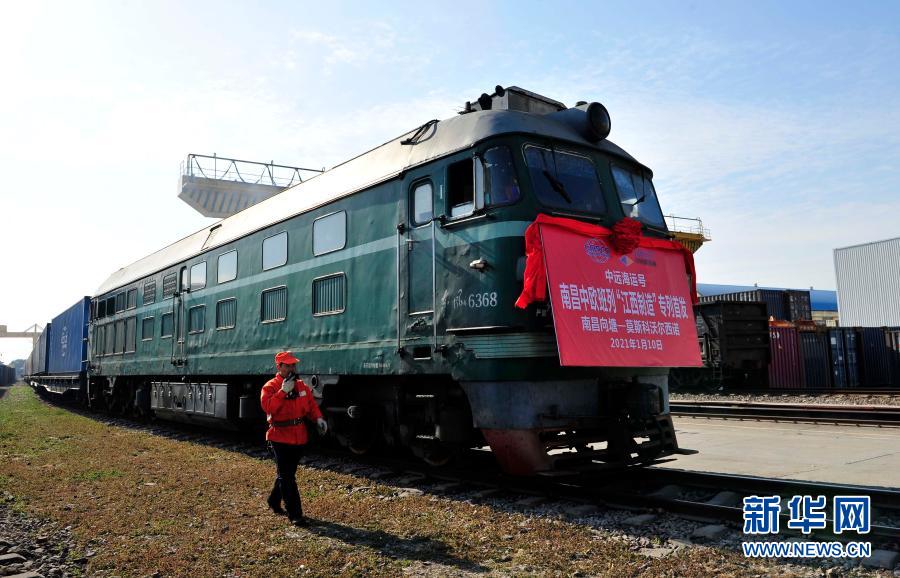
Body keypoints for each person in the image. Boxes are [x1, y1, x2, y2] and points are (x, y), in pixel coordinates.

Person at [260, 351, 328, 527]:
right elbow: (268, 407)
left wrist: (318, 418)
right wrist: (283, 392)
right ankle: (295, 514)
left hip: (298, 436)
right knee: (287, 476)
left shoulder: (301, 386)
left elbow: (311, 406)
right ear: (279, 367)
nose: (292, 368)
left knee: (287, 474)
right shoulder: (270, 386)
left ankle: (274, 501)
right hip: (280, 436)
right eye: (288, 365)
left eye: (293, 365)